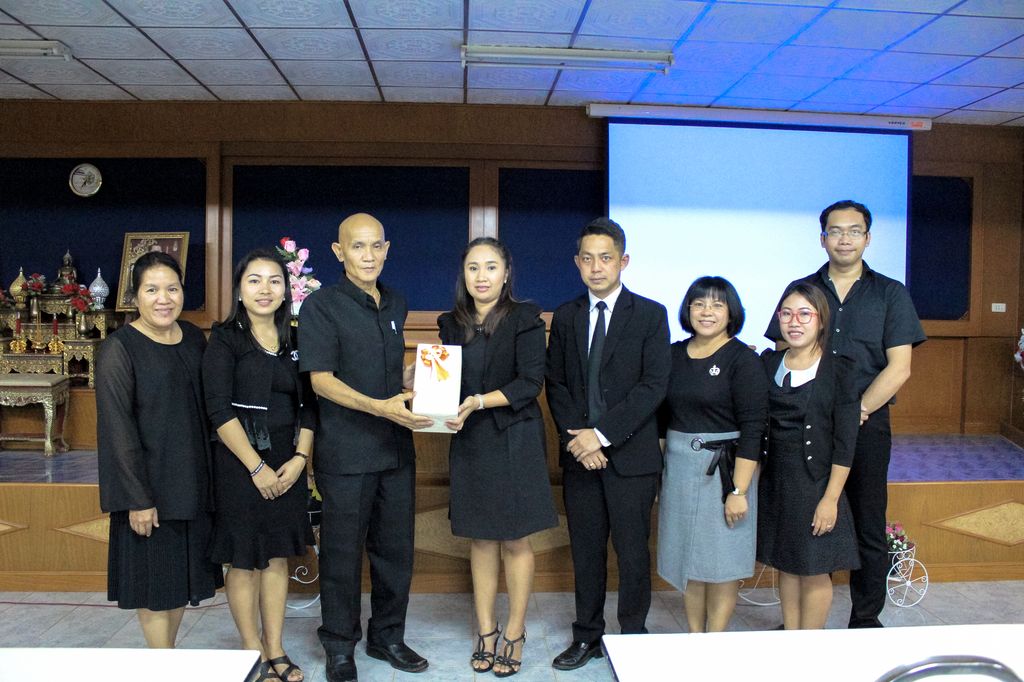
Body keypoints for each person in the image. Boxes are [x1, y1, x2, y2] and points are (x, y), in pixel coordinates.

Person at [765, 200, 925, 628]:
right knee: (805, 519)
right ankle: (800, 622)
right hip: (805, 428)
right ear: (823, 239)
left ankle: (865, 619)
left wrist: (856, 411)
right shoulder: (801, 289)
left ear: (868, 238)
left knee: (868, 522)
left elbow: (900, 367)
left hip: (867, 425)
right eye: (835, 231)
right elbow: (784, 352)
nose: (845, 239)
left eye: (854, 231)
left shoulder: (890, 293)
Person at [298, 213, 432, 682]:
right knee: (341, 555)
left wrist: (422, 377)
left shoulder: (396, 302)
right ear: (339, 252)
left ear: (387, 249)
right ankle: (339, 646)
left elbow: (389, 374)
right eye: (358, 247)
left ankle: (388, 636)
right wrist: (379, 407)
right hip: (346, 454)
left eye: (376, 246)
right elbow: (321, 381)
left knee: (396, 552)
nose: (369, 255)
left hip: (395, 450)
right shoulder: (320, 307)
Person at [545, 217, 670, 670]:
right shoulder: (566, 315)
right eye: (588, 258)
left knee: (633, 553)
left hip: (631, 458)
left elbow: (652, 387)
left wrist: (600, 436)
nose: (596, 267)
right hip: (580, 457)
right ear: (577, 263)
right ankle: (587, 636)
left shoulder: (651, 314)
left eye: (606, 258)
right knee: (586, 551)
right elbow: (556, 384)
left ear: (623, 261)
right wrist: (581, 440)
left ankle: (633, 636)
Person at [438, 238, 558, 678]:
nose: (482, 276)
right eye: (473, 267)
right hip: (470, 440)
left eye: (491, 267)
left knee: (515, 540)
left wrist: (478, 401)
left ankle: (514, 632)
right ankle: (486, 631)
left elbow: (530, 383)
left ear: (506, 273)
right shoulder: (450, 323)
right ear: (463, 275)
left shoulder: (525, 318)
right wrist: (423, 383)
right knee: (481, 539)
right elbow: (447, 383)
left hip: (514, 439)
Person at [96, 250, 222, 648]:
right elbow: (117, 430)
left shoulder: (193, 339)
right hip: (148, 494)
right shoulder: (119, 349)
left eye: (172, 288)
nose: (163, 298)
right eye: (151, 290)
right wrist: (138, 499)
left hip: (191, 487)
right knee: (154, 586)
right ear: (134, 296)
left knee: (179, 582)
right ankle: (162, 663)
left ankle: (166, 659)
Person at [203, 248, 316, 682]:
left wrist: (300, 459)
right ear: (239, 289)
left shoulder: (297, 339)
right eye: (254, 280)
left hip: (288, 462)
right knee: (244, 559)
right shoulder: (225, 339)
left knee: (276, 557)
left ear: (286, 289)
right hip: (239, 464)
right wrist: (255, 467)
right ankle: (251, 652)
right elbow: (219, 410)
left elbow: (312, 406)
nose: (264, 289)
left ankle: (276, 648)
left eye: (274, 280)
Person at [656, 276, 768, 633]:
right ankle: (695, 635)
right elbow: (661, 420)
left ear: (731, 312)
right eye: (699, 304)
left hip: (725, 472)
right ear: (688, 310)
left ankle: (714, 640)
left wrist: (738, 491)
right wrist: (660, 475)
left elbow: (754, 428)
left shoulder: (743, 360)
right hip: (679, 468)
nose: (707, 311)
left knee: (721, 561)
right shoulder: (672, 354)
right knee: (688, 558)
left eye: (717, 305)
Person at [758, 282, 861, 629]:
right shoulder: (769, 362)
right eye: (786, 314)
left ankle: (810, 645)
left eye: (805, 314)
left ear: (821, 320)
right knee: (787, 564)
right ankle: (791, 636)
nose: (794, 322)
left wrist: (830, 499)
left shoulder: (840, 369)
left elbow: (845, 443)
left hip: (816, 483)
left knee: (815, 568)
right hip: (777, 480)